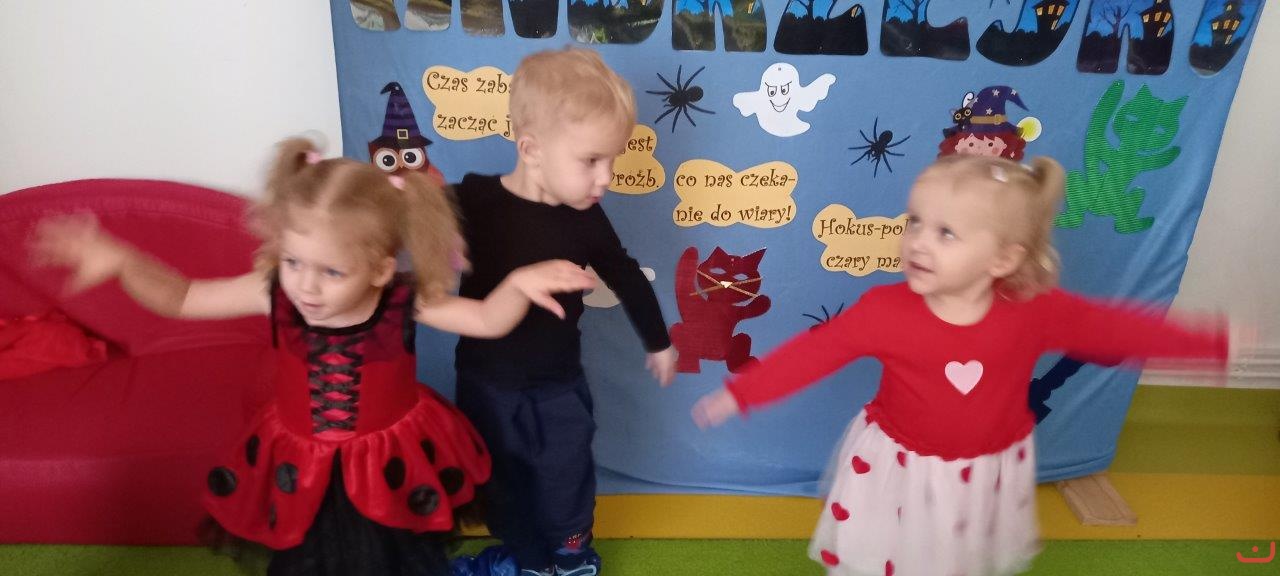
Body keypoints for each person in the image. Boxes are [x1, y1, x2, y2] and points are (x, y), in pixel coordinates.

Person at [32, 138, 596, 576]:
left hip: (390, 464)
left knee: (395, 558)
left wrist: (517, 284)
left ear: (379, 269)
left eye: (332, 272)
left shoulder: (402, 298)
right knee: (307, 559)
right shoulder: (274, 292)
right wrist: (123, 261)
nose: (307, 286)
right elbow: (182, 298)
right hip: (301, 470)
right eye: (294, 262)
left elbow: (486, 321)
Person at [692, 154, 1231, 576]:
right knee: (888, 552)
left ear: (1004, 258)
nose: (918, 242)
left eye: (946, 232)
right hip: (899, 466)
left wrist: (1209, 345)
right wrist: (741, 394)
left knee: (950, 556)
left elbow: (1117, 328)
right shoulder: (884, 310)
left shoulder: (1033, 311)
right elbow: (814, 353)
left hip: (983, 471)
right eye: (915, 222)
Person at [449, 47, 675, 576]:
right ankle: (529, 561)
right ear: (531, 149)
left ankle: (572, 556)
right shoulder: (473, 200)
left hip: (558, 386)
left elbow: (625, 275)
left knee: (567, 475)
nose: (607, 177)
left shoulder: (586, 219)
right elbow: (403, 218)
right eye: (591, 161)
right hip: (486, 383)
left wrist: (659, 342)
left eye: (612, 160)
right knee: (500, 480)